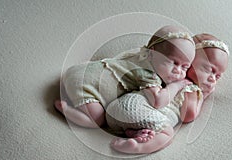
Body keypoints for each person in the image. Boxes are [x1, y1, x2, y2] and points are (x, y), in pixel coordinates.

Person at [54, 25, 195, 129]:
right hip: (86, 85)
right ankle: (66, 110)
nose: (179, 71)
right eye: (174, 63)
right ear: (152, 54)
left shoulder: (138, 56)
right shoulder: (148, 74)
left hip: (81, 69)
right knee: (98, 121)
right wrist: (177, 85)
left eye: (185, 67)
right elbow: (157, 101)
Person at [108, 33, 229, 154]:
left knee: (147, 128)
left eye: (217, 76)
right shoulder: (190, 88)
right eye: (209, 70)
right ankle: (137, 148)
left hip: (115, 111)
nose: (213, 79)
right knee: (167, 134)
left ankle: (135, 133)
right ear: (190, 61)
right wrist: (203, 95)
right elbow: (188, 115)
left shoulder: (164, 73)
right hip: (140, 110)